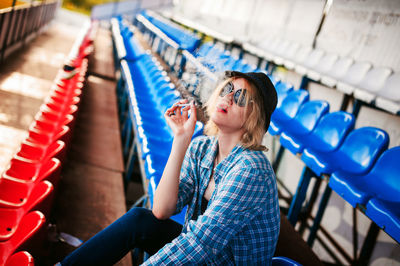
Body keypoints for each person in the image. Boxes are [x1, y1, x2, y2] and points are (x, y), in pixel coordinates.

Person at [60, 70, 280, 265]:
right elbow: (162, 210)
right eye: (228, 88)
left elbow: (201, 243)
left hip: (217, 258)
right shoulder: (203, 147)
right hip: (206, 256)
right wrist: (181, 140)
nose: (229, 97)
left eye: (241, 97)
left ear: (254, 117)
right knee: (140, 220)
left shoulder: (252, 169)